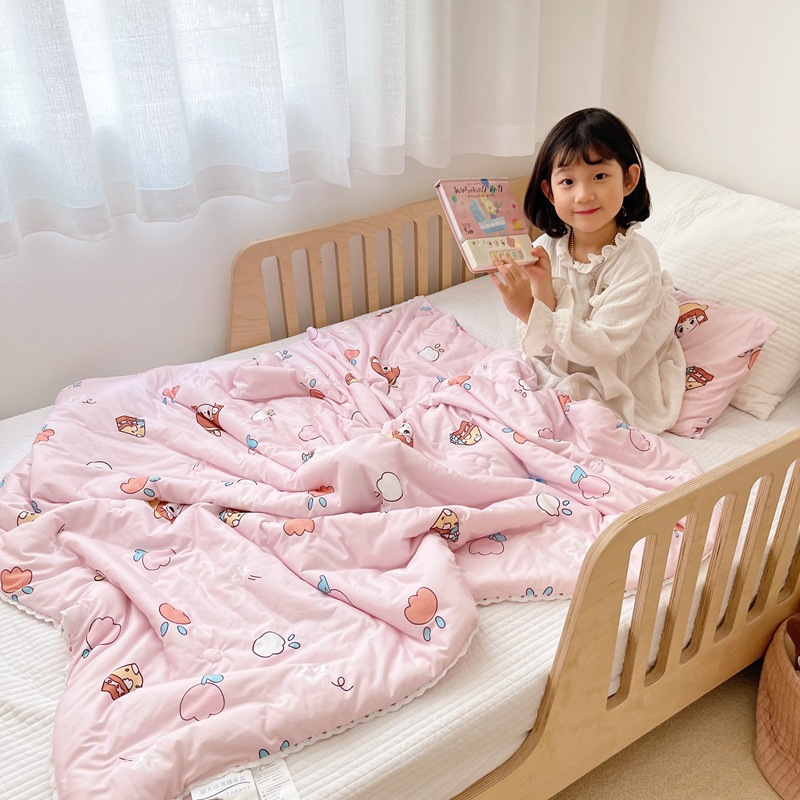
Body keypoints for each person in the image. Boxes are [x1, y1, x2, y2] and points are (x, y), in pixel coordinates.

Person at [490, 107, 685, 433]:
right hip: (560, 364)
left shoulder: (638, 262)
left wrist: (529, 311)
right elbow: (539, 345)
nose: (583, 195)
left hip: (611, 377)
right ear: (550, 192)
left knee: (572, 421)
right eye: (567, 181)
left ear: (629, 179)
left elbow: (602, 345)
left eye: (599, 176)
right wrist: (539, 294)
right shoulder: (547, 247)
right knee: (495, 378)